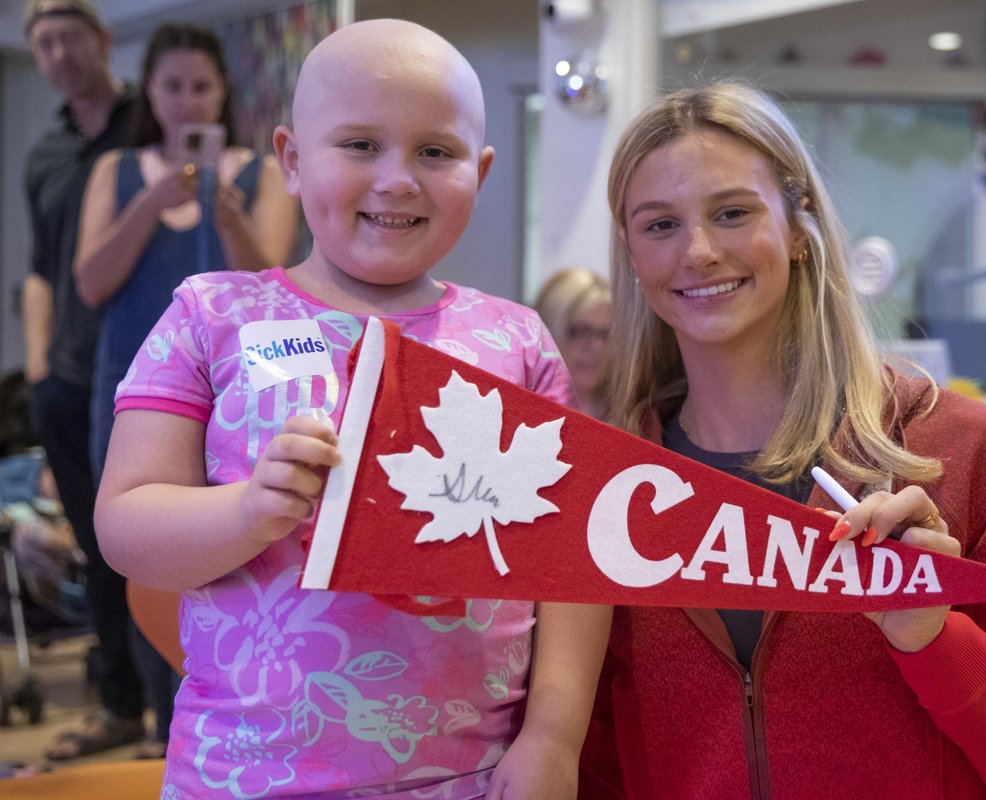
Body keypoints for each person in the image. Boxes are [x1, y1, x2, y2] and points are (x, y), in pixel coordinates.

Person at [93, 19, 610, 799]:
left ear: (482, 169)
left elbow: (571, 561)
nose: (398, 179)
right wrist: (245, 514)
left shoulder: (518, 340)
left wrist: (552, 737)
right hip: (244, 775)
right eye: (361, 145)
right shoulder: (212, 315)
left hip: (471, 776)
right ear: (292, 162)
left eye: (436, 151)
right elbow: (125, 524)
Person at [579, 81, 986, 799]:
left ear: (799, 226)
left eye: (733, 212)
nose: (701, 251)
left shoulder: (960, 451)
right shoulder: (604, 489)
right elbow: (592, 764)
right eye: (660, 225)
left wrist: (936, 637)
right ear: (629, 252)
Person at [70, 20, 298, 761]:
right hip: (134, 386)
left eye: (201, 86)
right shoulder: (119, 171)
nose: (187, 101)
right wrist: (152, 200)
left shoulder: (260, 173)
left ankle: (229, 715)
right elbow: (91, 280)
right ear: (151, 92)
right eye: (172, 86)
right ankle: (164, 722)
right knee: (142, 547)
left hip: (238, 393)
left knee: (231, 544)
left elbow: (271, 285)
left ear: (223, 91)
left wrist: (224, 210)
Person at [21, 0, 149, 761]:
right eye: (44, 43)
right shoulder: (45, 154)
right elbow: (41, 271)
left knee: (156, 546)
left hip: (147, 376)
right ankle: (120, 705)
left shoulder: (151, 133)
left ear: (102, 41)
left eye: (71, 37)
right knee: (98, 549)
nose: (60, 54)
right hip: (66, 380)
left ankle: (174, 711)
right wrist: (38, 369)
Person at [534, 267, 613, 419]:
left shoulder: (638, 422)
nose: (596, 346)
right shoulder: (520, 413)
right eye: (581, 331)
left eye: (604, 334)